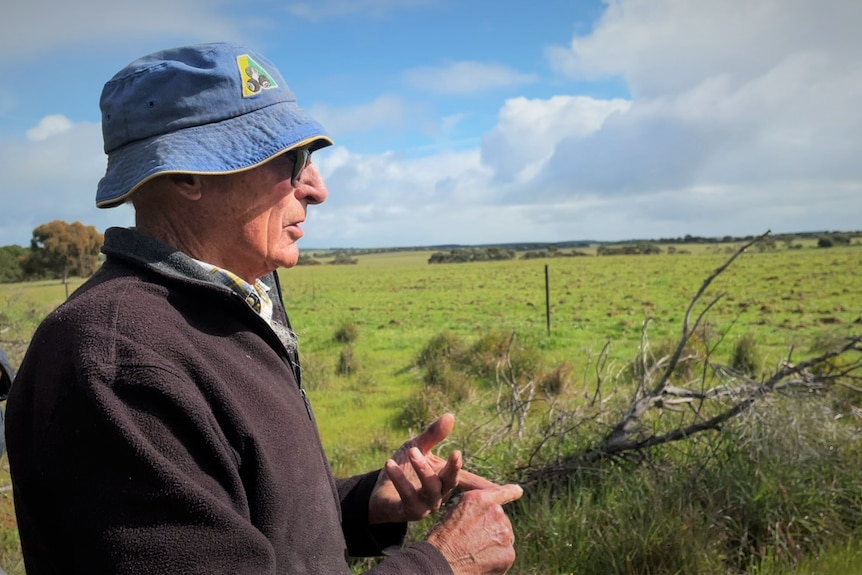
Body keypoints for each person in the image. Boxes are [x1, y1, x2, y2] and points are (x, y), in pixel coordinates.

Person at [5, 42, 522, 574]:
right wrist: (443, 563)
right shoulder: (121, 365)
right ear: (188, 175)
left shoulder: (226, 304)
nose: (317, 188)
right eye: (290, 160)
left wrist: (370, 502)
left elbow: (251, 521)